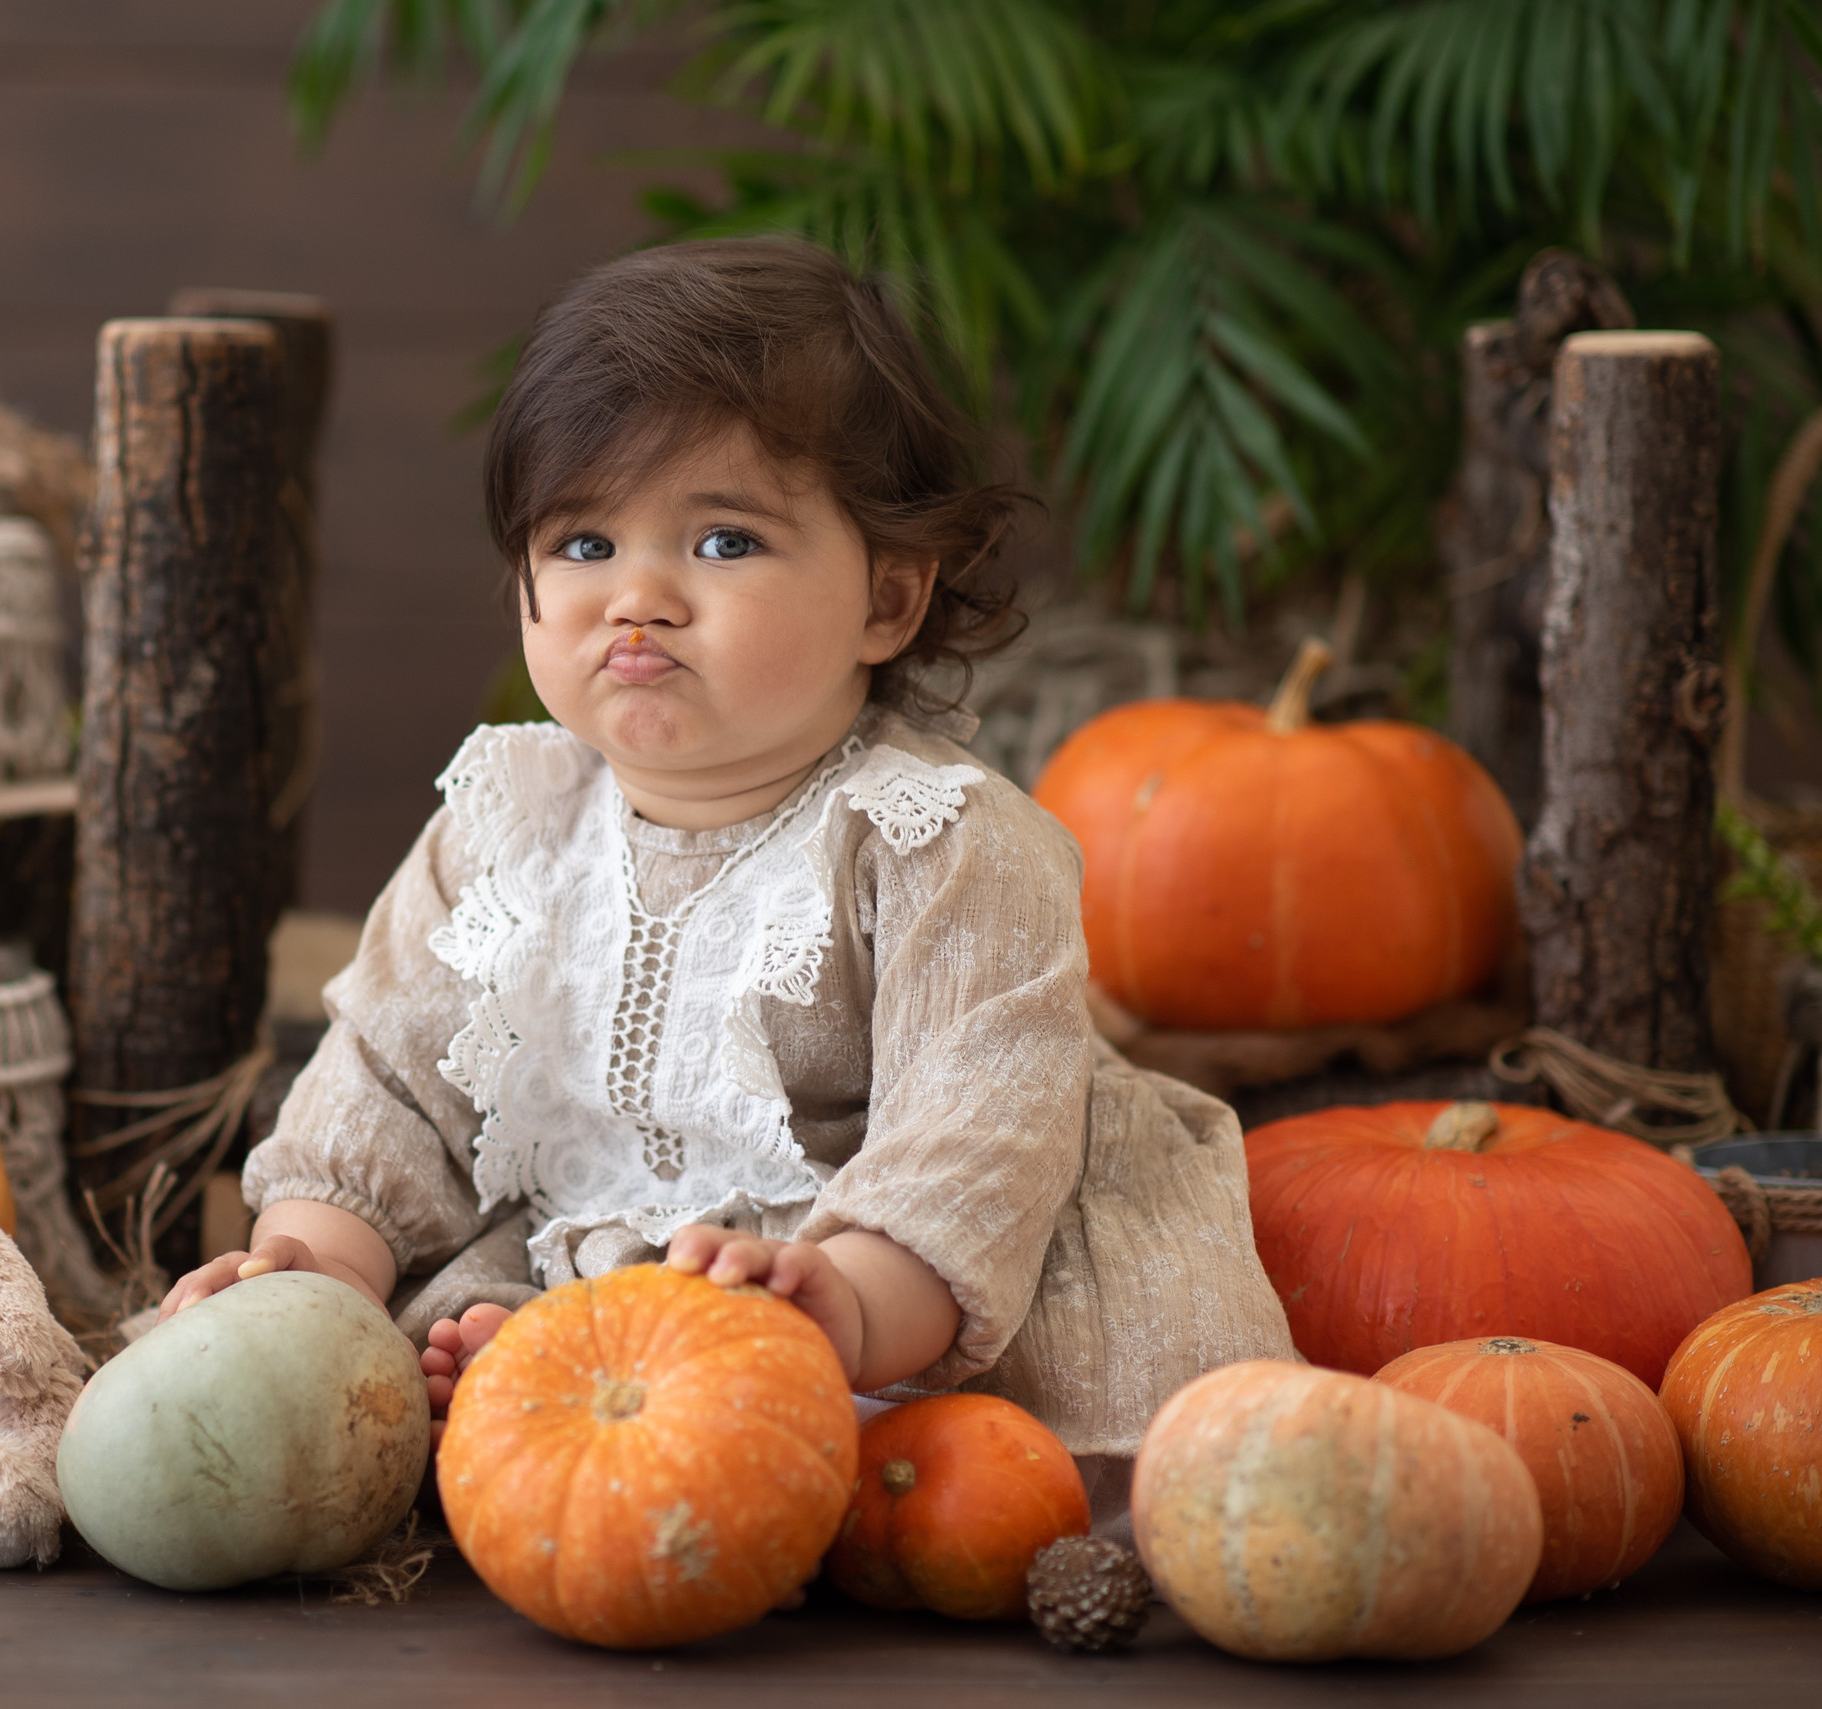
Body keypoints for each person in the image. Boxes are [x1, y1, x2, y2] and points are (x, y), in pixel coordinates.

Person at [154, 238, 1292, 1510]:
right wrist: (316, 1266)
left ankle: (738, 1409)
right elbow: (387, 1076)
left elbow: (976, 1135)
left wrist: (845, 1304)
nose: (636, 598)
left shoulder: (937, 840)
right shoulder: (507, 821)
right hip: (595, 1252)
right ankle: (533, 1393)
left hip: (884, 1292)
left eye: (724, 542)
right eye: (582, 543)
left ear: (890, 599)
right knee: (419, 1359)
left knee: (939, 1471)